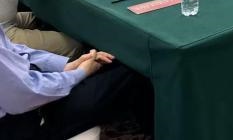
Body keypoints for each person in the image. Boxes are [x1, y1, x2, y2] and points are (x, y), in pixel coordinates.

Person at [0, 30, 153, 139]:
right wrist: (79, 73)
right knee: (132, 69)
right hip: (22, 122)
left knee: (111, 63)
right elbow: (25, 95)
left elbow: (12, 50)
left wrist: (66, 66)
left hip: (28, 96)